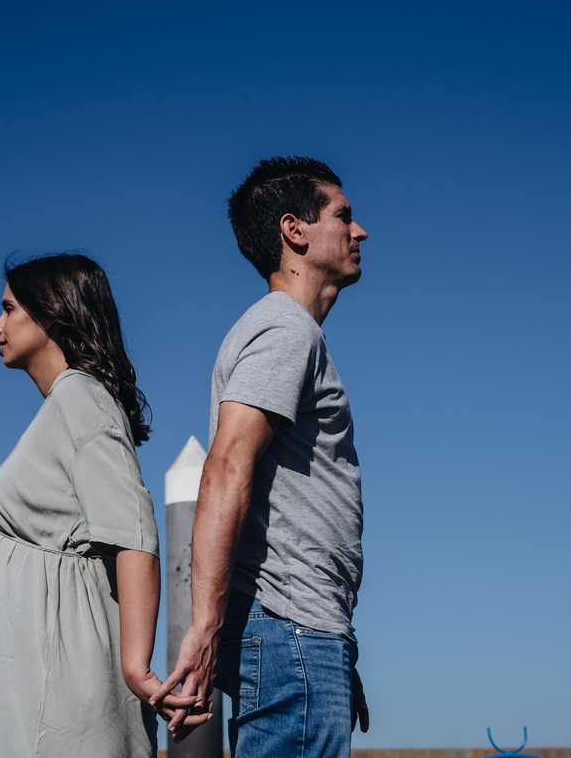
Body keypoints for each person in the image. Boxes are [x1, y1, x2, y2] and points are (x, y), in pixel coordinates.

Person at [0, 254, 202, 758]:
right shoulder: (66, 404)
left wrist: (137, 668)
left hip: (71, 683)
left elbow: (134, 533)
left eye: (9, 309)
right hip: (44, 671)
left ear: (52, 314)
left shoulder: (81, 397)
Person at [154, 157, 371, 756]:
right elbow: (226, 464)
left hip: (302, 635)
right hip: (291, 632)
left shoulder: (289, 332)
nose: (359, 231)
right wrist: (205, 625)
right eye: (343, 216)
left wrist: (332, 647)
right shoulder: (285, 330)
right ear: (294, 230)